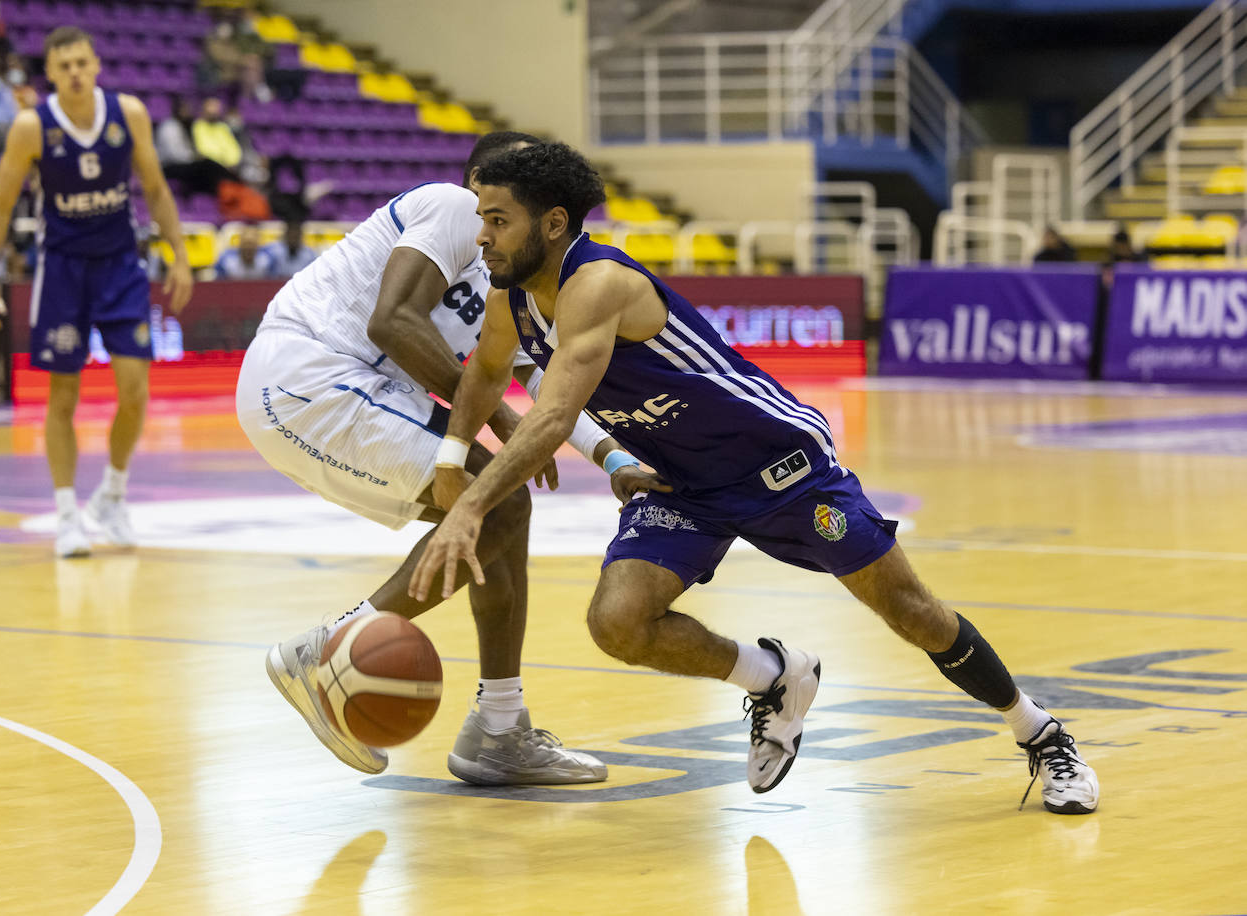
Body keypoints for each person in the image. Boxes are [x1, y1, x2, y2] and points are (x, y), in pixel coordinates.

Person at [410, 142, 1101, 814]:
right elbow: (486, 374)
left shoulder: (598, 284)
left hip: (780, 466)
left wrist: (472, 506)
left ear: (552, 224)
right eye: (480, 219)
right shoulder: (510, 298)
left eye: (497, 220)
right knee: (618, 623)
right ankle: (774, 678)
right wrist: (450, 458)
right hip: (684, 480)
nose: (482, 237)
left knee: (912, 613)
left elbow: (554, 413)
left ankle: (1040, 733)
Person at [236, 131, 641, 786]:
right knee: (497, 498)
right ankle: (322, 653)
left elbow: (550, 382)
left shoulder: (511, 275)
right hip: (310, 374)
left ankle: (500, 730)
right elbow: (392, 322)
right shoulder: (454, 208)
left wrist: (615, 460)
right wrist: (499, 418)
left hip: (341, 391)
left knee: (501, 510)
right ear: (482, 180)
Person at [0, 26, 193, 556]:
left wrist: (180, 254)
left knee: (135, 393)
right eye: (63, 64)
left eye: (81, 63)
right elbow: (0, 208)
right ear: (49, 73)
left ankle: (112, 495)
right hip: (64, 268)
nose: (73, 72)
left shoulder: (129, 114)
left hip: (120, 265)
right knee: (62, 395)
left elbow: (157, 191)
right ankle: (67, 512)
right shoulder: (31, 127)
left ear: (96, 66)